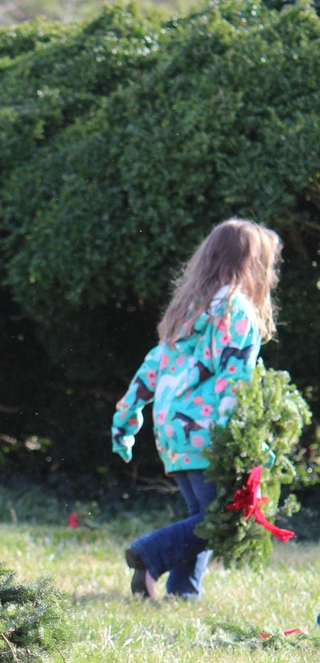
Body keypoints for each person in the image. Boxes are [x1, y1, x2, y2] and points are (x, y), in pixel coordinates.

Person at [112, 218, 281, 600]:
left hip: (173, 430)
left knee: (200, 515)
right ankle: (150, 554)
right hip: (208, 430)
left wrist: (125, 420)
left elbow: (151, 368)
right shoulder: (236, 311)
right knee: (222, 516)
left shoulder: (187, 311)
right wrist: (249, 440)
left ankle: (184, 591)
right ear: (253, 265)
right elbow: (235, 381)